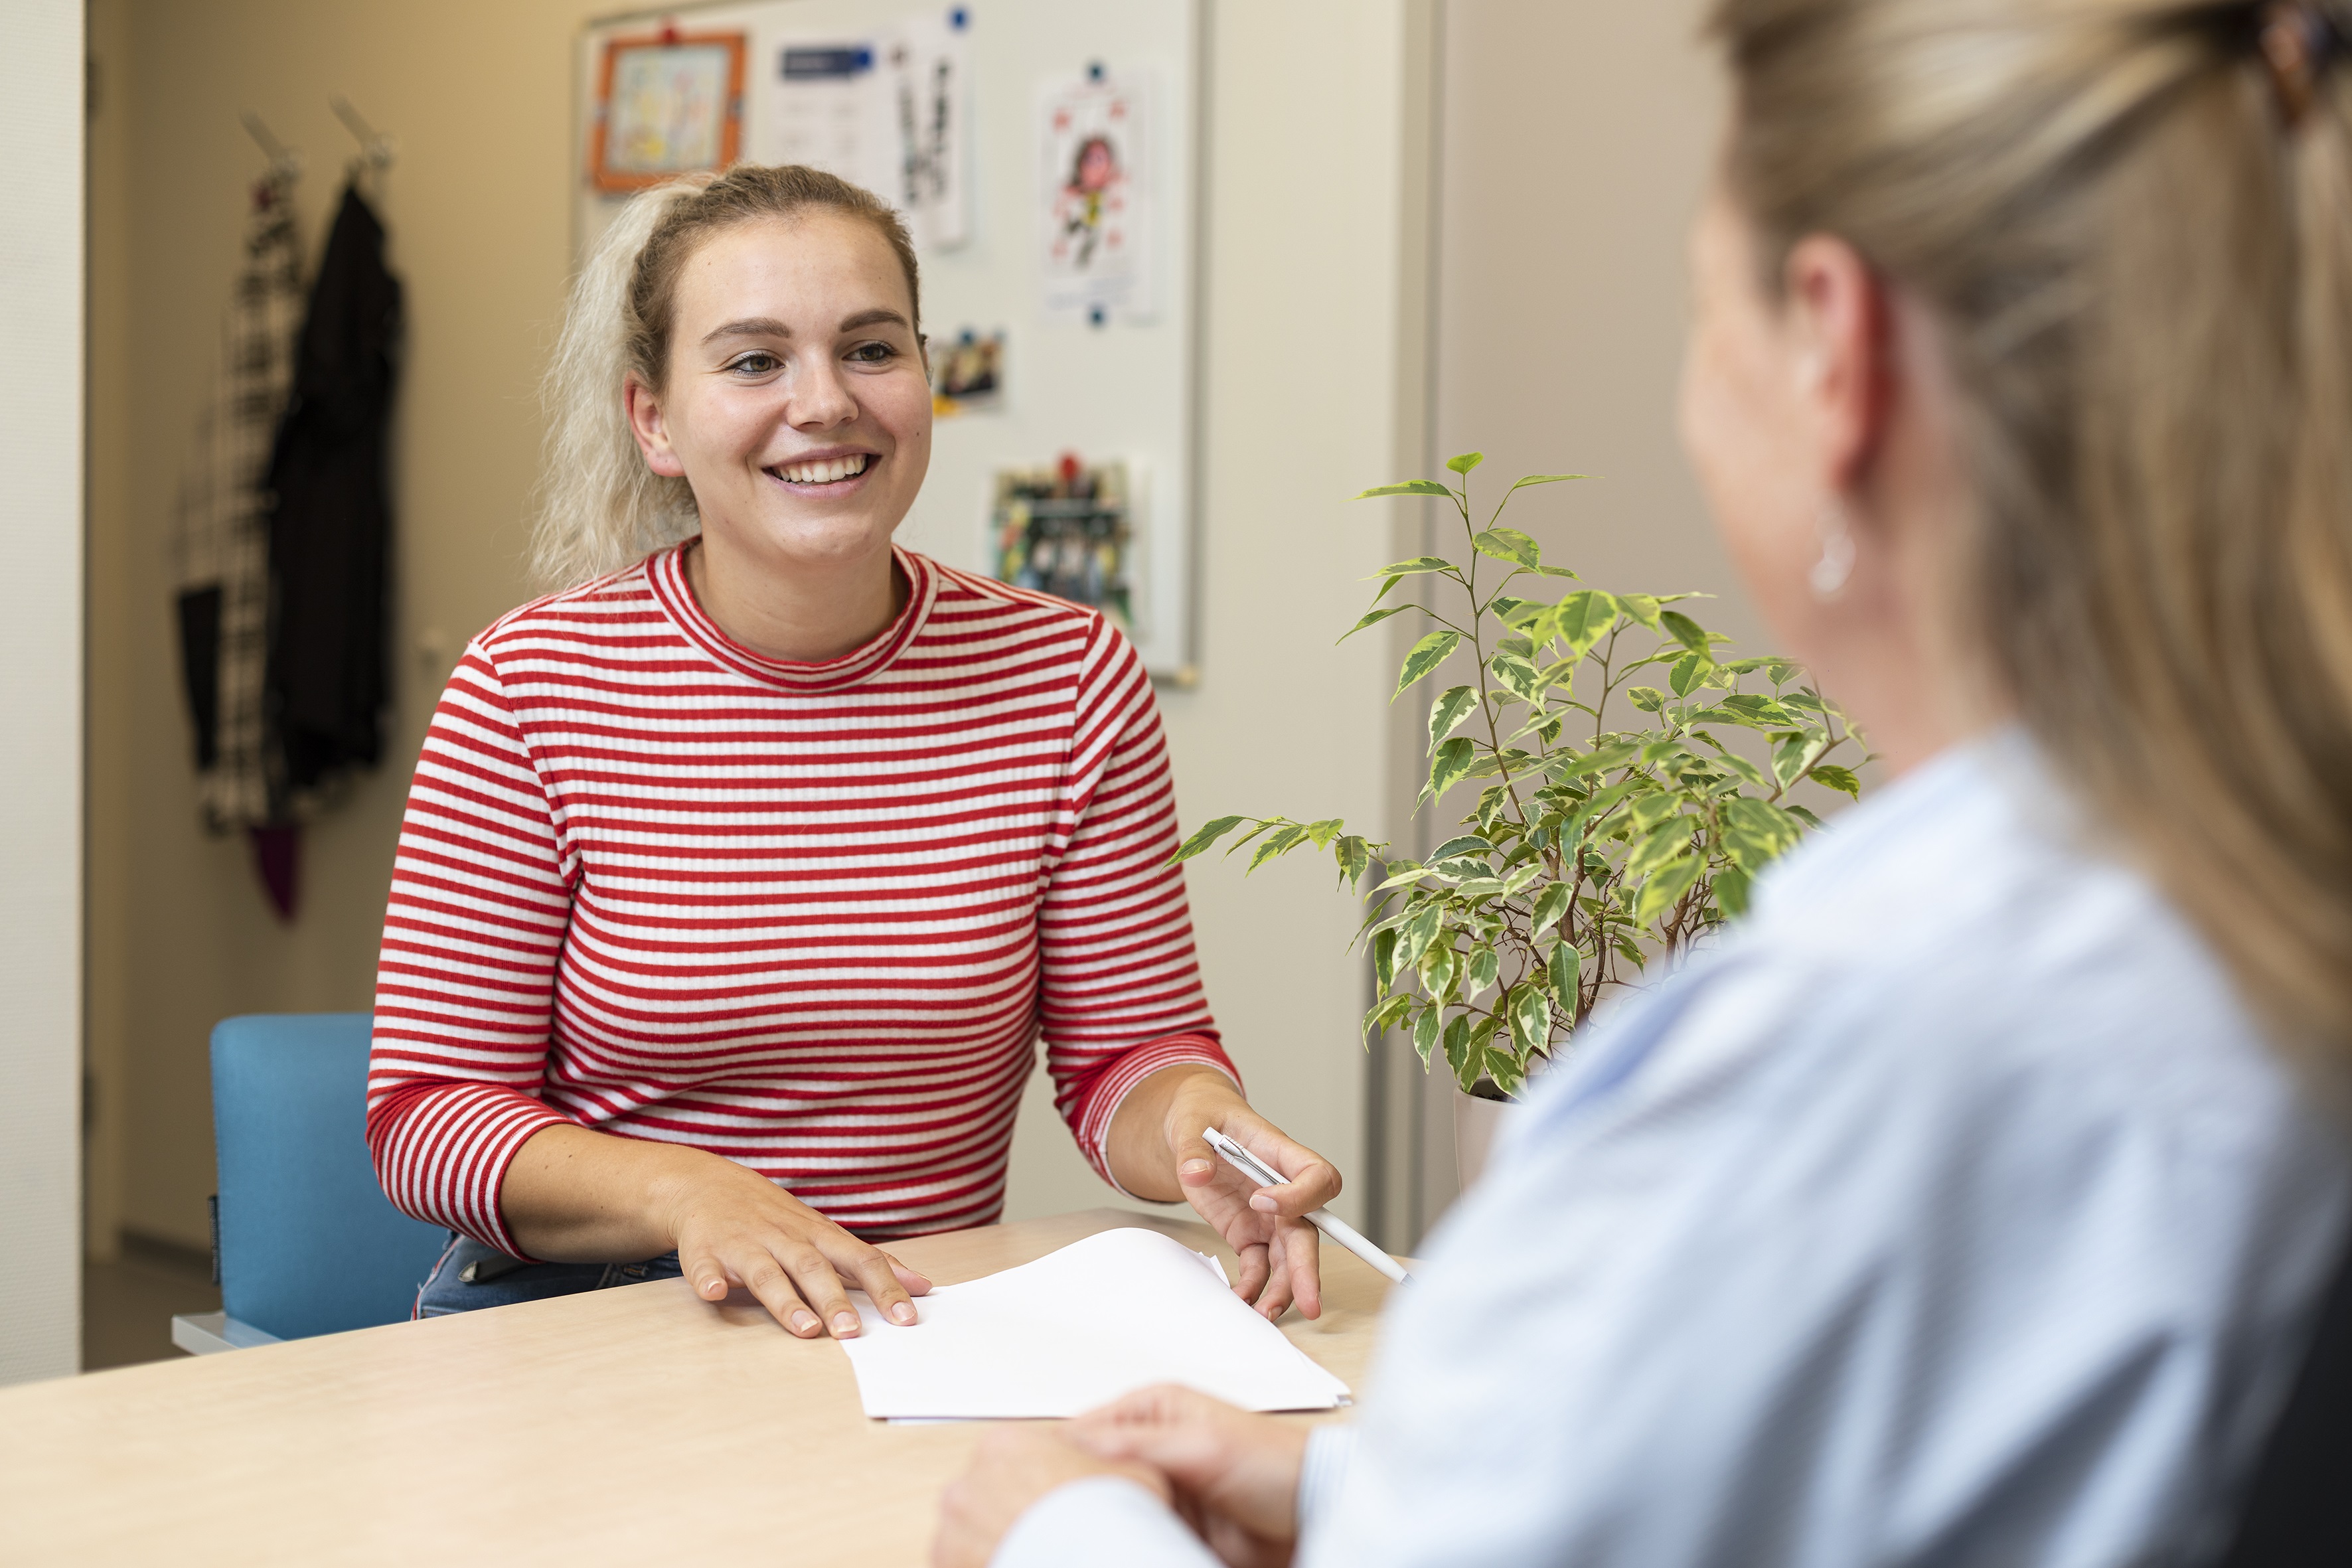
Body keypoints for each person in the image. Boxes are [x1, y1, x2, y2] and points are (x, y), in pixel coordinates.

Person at [936, 1, 2352, 1562]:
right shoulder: (2247, 910)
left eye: (1696, 306)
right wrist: (1358, 1500)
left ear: (1835, 347)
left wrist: (1056, 1530)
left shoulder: (1832, 1063)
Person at [364, 163, 1340, 1338]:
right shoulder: (528, 684)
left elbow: (1127, 1054)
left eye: (871, 349)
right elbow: (424, 1116)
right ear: (655, 419)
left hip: (909, 1331)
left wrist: (1197, 1123)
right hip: (592, 1322)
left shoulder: (1070, 676)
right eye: (754, 360)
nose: (824, 401)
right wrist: (692, 1190)